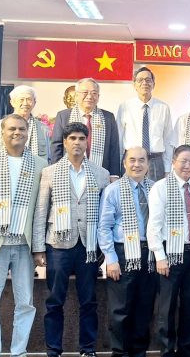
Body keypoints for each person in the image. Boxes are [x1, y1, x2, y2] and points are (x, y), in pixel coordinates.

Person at [0, 114, 49, 357]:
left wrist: (39, 246)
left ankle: (19, 352)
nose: (17, 133)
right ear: (2, 133)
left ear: (28, 133)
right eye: (12, 129)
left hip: (24, 246)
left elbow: (41, 210)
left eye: (22, 129)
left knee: (25, 303)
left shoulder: (40, 164)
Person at [33, 122, 111, 357]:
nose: (77, 142)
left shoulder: (101, 173)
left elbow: (105, 214)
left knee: (89, 301)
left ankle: (87, 349)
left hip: (89, 246)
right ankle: (53, 350)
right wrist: (38, 248)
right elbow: (41, 211)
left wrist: (105, 248)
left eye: (81, 138)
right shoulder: (50, 172)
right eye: (72, 138)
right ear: (65, 142)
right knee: (55, 300)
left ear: (87, 143)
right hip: (58, 245)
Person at [147, 145, 190, 357]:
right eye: (183, 161)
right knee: (167, 307)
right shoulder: (161, 187)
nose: (188, 165)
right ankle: (166, 351)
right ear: (173, 162)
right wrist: (159, 256)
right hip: (170, 254)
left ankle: (186, 351)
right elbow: (154, 225)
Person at [98, 147, 158, 357]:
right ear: (124, 163)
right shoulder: (113, 190)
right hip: (122, 254)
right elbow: (104, 227)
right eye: (132, 160)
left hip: (149, 254)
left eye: (142, 160)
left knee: (144, 308)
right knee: (120, 310)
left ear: (148, 164)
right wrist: (111, 259)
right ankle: (120, 353)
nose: (137, 164)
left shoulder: (155, 189)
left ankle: (139, 352)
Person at [52, 78, 122, 178]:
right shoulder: (63, 116)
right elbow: (56, 146)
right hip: (69, 173)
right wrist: (55, 171)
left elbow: (114, 148)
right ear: (76, 95)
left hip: (101, 174)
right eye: (85, 92)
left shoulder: (108, 117)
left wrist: (114, 175)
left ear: (98, 97)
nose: (89, 96)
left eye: (94, 93)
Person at [118, 67, 176, 181]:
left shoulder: (163, 107)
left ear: (153, 84)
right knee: (130, 192)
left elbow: (168, 139)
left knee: (154, 192)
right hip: (132, 160)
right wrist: (119, 165)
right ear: (134, 85)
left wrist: (167, 168)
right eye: (140, 80)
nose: (144, 83)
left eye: (148, 80)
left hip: (155, 161)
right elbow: (119, 138)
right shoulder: (125, 106)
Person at [0, 85, 49, 159]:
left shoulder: (42, 128)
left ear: (34, 103)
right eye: (21, 99)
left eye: (29, 99)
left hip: (35, 165)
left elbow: (48, 156)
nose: (25, 103)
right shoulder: (0, 126)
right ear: (12, 102)